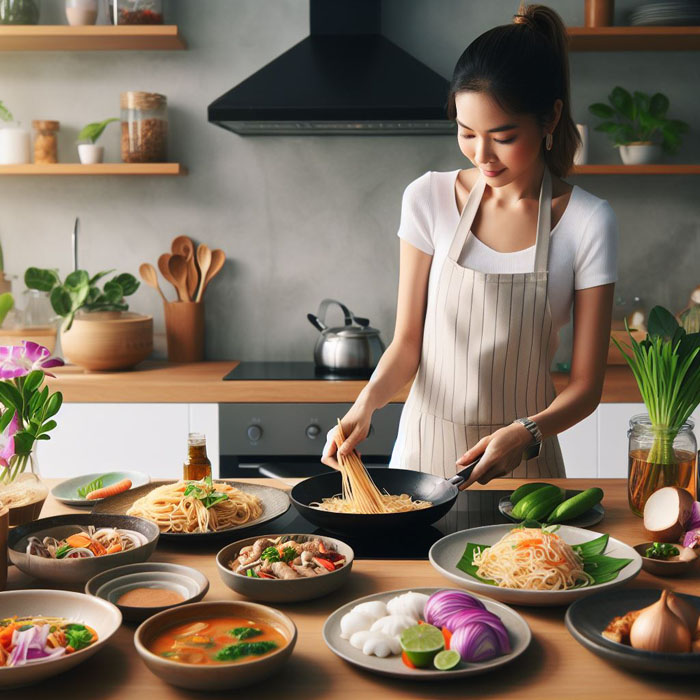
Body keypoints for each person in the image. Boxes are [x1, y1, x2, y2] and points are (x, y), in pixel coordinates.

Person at [322, 4, 617, 488]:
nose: (482, 155)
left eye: (502, 137)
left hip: (527, 465)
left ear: (550, 119)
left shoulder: (588, 221)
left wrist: (526, 433)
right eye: (466, 132)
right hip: (422, 460)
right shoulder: (428, 198)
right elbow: (407, 344)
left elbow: (586, 388)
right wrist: (367, 401)